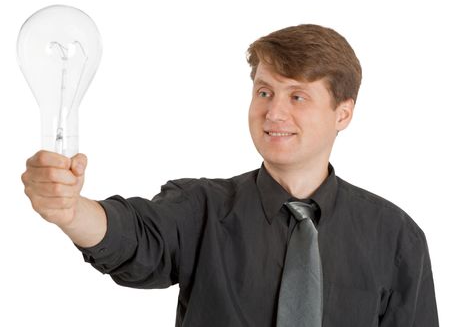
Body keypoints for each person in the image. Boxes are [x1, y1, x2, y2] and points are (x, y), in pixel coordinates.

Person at [21, 24, 439, 326]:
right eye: (264, 92)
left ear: (343, 113)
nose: (274, 112)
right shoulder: (202, 208)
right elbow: (134, 238)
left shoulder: (396, 237)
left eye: (297, 96)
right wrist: (70, 209)